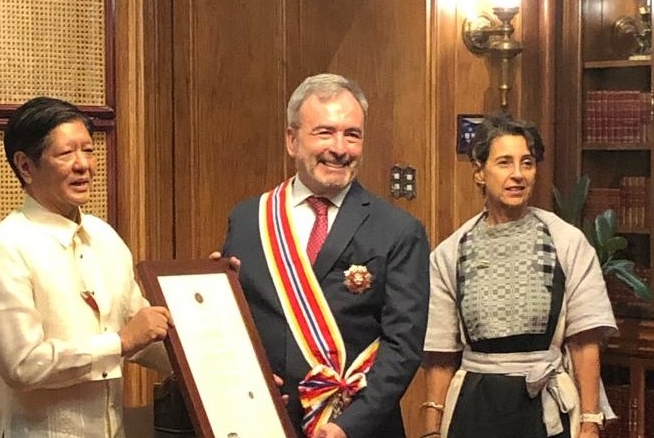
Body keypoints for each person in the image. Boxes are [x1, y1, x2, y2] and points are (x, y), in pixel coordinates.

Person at [220, 73, 431, 438]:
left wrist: (349, 425)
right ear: (292, 140)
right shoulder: (248, 219)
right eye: (325, 132)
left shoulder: (399, 229)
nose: (340, 148)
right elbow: (233, 324)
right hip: (265, 421)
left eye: (352, 135)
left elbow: (403, 346)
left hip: (356, 428)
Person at [0, 97, 172, 438]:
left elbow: (143, 333)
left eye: (88, 151)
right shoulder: (3, 248)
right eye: (66, 153)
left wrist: (213, 311)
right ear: (26, 166)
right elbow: (23, 365)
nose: (83, 165)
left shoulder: (104, 237)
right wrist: (119, 343)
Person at [421, 112, 618, 438]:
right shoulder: (451, 252)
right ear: (479, 172)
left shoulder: (566, 242)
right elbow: (440, 355)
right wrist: (431, 431)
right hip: (474, 409)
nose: (517, 175)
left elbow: (584, 341)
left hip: (546, 408)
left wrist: (590, 422)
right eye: (504, 163)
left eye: (527, 163)